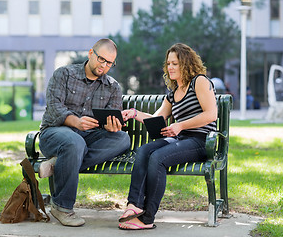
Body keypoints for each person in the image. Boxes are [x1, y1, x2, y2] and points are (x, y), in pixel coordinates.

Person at [118, 43, 218, 230]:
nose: (170, 67)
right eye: (168, 63)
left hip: (200, 140)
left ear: (186, 64)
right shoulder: (173, 93)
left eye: (175, 63)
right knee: (145, 150)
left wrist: (180, 125)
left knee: (158, 158)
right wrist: (133, 113)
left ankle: (147, 219)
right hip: (180, 140)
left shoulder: (200, 82)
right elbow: (157, 118)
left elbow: (211, 114)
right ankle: (134, 205)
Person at [38, 38, 131, 227]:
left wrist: (111, 125)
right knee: (74, 143)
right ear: (91, 53)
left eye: (109, 63)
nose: (104, 66)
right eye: (101, 59)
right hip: (55, 132)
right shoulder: (64, 74)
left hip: (87, 137)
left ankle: (61, 163)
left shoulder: (112, 87)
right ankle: (62, 207)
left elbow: (110, 118)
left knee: (122, 139)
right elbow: (55, 108)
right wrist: (76, 122)